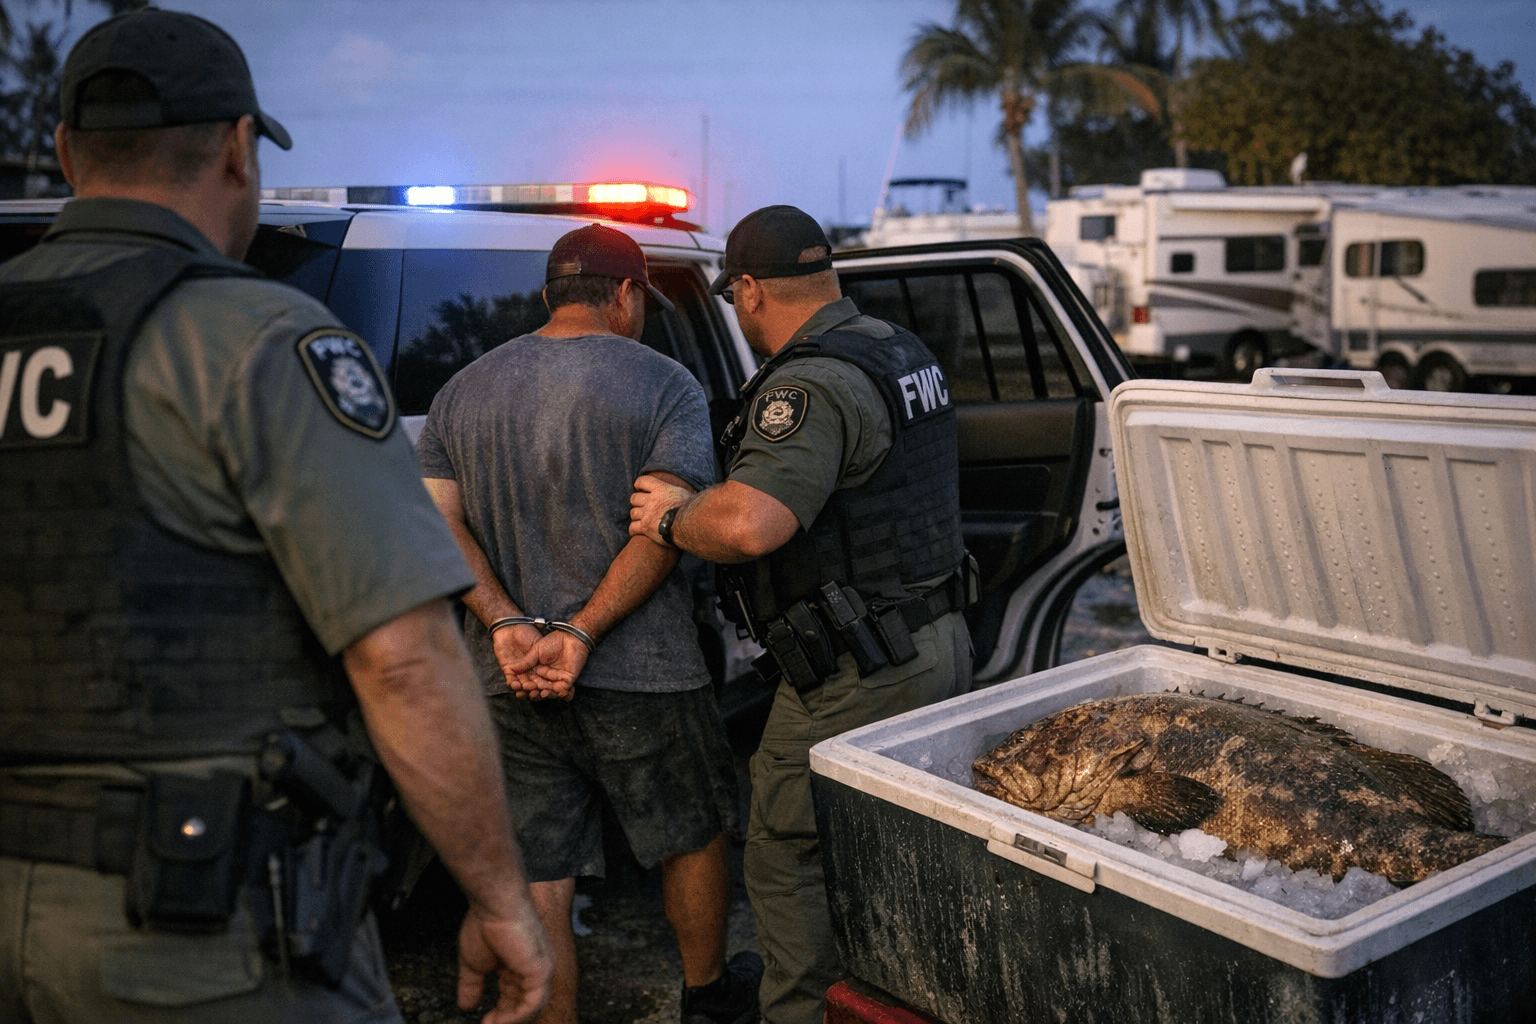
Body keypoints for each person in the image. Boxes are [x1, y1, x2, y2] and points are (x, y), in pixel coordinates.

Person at [0, 10, 551, 1023]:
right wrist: (502, 897)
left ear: (69, 152)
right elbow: (403, 658)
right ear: (241, 149)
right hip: (192, 920)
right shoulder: (254, 338)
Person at [628, 206, 975, 1024]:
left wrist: (673, 516)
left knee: (789, 854)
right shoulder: (899, 349)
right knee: (902, 853)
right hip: (937, 639)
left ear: (748, 290)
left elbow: (751, 525)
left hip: (858, 667)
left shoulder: (807, 384)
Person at [415, 222, 763, 1024]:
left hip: (508, 675)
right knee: (690, 833)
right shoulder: (666, 382)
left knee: (538, 865)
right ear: (628, 294)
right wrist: (582, 632)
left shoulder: (461, 389)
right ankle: (706, 1000)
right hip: (645, 674)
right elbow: (663, 527)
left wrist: (506, 624)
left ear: (547, 296)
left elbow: (437, 525)